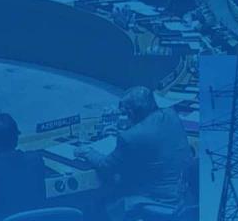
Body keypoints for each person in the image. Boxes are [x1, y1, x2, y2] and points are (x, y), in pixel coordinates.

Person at [77, 87, 194, 221]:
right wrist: (126, 131)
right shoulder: (170, 114)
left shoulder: (130, 137)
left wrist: (88, 152)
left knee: (98, 203)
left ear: (131, 112)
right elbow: (152, 136)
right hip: (183, 198)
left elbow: (106, 166)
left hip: (157, 201)